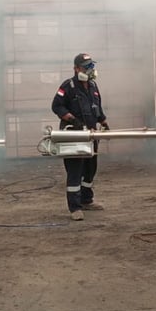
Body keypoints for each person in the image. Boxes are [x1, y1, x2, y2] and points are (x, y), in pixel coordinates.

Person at [51, 53, 109, 221]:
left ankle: (86, 200)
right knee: (75, 171)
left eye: (91, 66)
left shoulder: (93, 85)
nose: (90, 70)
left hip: (91, 135)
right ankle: (75, 207)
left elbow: (97, 108)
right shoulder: (68, 86)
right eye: (86, 67)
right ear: (76, 69)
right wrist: (72, 119)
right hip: (74, 135)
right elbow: (56, 106)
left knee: (90, 169)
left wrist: (104, 122)